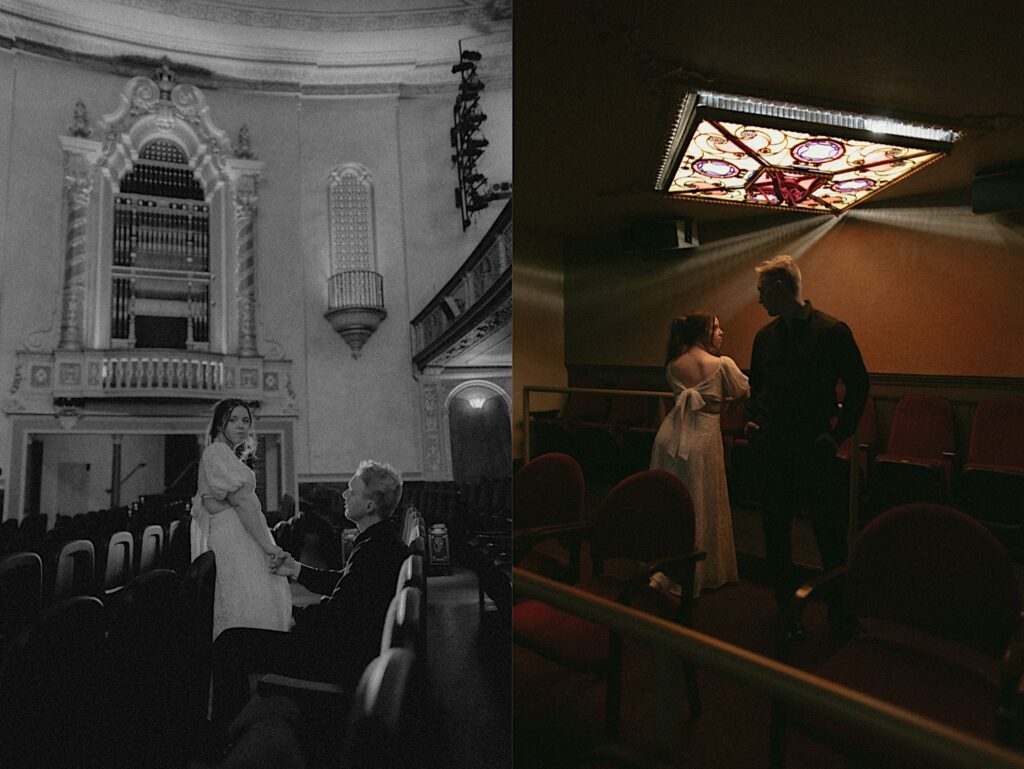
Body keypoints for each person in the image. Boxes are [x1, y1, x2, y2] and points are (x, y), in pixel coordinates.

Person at [209, 460, 409, 734]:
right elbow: (345, 584)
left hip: (340, 658)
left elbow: (335, 617)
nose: (344, 495)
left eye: (352, 491)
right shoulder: (379, 542)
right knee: (241, 637)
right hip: (347, 645)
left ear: (370, 506)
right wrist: (296, 570)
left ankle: (224, 735)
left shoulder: (375, 550)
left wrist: (287, 612)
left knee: (231, 642)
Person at [744, 255, 868, 624]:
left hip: (814, 447)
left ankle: (840, 612)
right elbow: (757, 388)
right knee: (775, 533)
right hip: (774, 447)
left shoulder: (832, 331)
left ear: (781, 288)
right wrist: (753, 420)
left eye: (762, 291)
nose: (759, 299)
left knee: (829, 534)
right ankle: (786, 609)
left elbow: (859, 385)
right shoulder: (764, 337)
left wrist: (836, 436)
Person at [650, 311, 750, 597]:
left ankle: (667, 563)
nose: (721, 332)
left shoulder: (673, 365)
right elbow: (744, 391)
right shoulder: (722, 364)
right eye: (715, 328)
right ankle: (699, 568)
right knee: (702, 500)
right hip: (703, 439)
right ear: (701, 333)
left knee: (674, 501)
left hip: (671, 437)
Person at [191, 399, 291, 639]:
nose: (241, 426)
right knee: (247, 600)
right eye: (233, 420)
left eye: (246, 420)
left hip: (239, 531)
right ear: (219, 423)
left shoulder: (222, 453)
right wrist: (267, 546)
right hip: (234, 535)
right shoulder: (216, 452)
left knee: (250, 597)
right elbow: (241, 502)